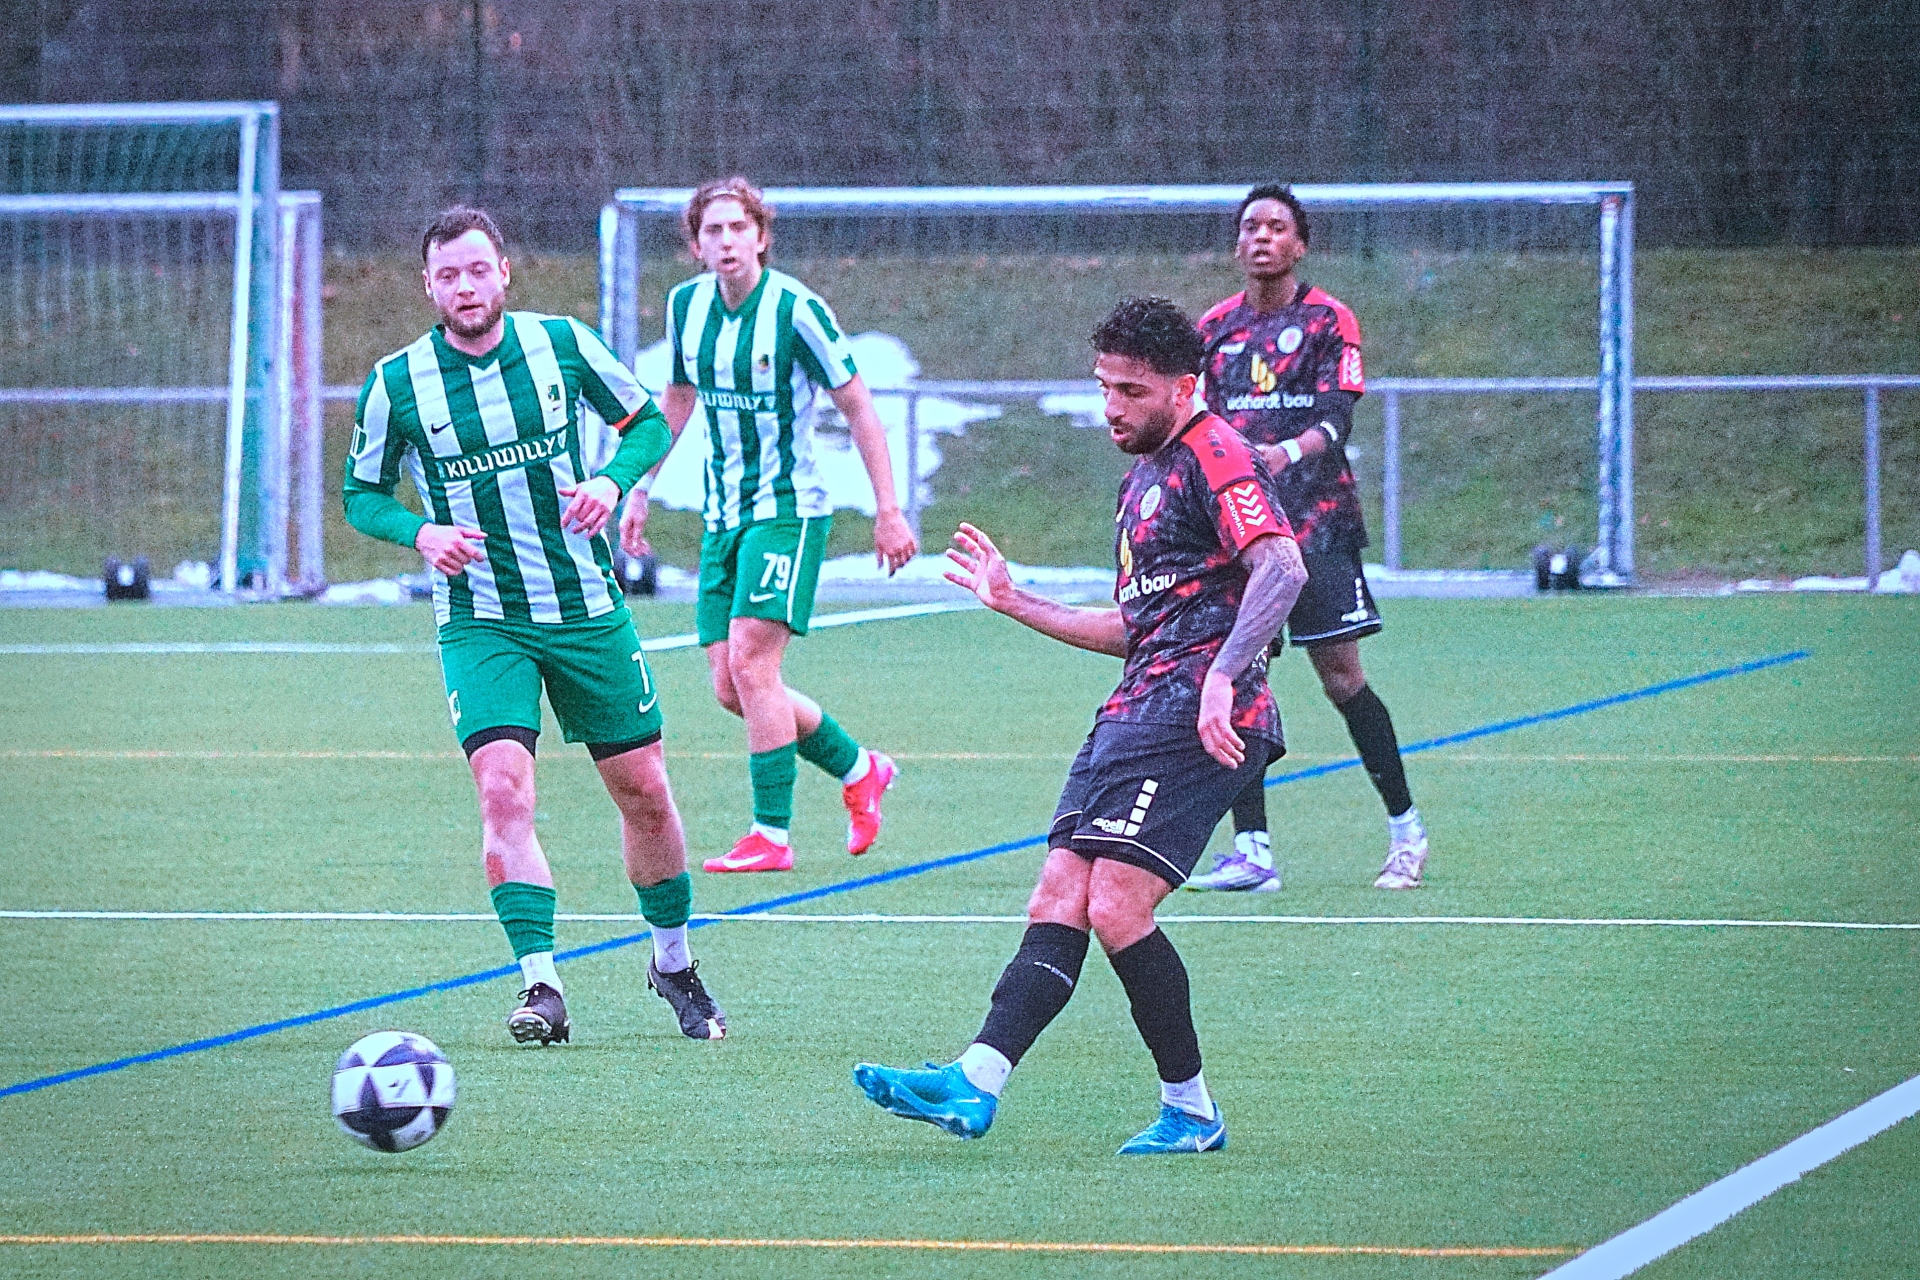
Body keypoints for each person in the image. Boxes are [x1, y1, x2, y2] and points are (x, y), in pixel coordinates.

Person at [853, 298, 1307, 1154]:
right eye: (1104, 387)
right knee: (1059, 894)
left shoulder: (1216, 452)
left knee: (1117, 902)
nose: (1112, 408)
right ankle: (976, 1080)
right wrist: (1012, 599)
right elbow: (1134, 628)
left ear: (1185, 386)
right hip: (1136, 708)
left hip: (1196, 715)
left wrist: (1221, 675)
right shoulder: (1143, 479)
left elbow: (1281, 565)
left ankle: (1191, 1111)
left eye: (1132, 391)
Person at [343, 206, 726, 1044]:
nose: (465, 287)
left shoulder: (562, 345)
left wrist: (613, 481)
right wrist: (421, 532)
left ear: (505, 273)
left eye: (477, 270)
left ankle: (672, 962)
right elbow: (361, 495)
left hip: (584, 608)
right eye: (448, 275)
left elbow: (647, 423)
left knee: (645, 793)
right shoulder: (398, 383)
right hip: (481, 620)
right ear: (428, 286)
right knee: (503, 789)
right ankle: (541, 985)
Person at [620, 177, 919, 874]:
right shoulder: (686, 307)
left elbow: (858, 406)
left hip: (788, 511)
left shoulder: (796, 310)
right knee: (732, 686)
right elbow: (677, 400)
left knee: (754, 663)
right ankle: (860, 768)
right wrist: (640, 486)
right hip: (722, 517)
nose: (726, 241)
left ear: (761, 236)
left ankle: (771, 836)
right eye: (713, 231)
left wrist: (889, 508)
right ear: (696, 246)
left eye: (738, 228)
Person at [1188, 183, 1430, 893]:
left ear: (1300, 244)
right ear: (1237, 244)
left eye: (1275, 227)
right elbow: (1198, 422)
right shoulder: (1214, 329)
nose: (1261, 237)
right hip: (1243, 531)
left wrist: (1282, 454)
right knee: (1236, 674)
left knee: (1342, 679)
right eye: (1250, 227)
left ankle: (1406, 832)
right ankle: (1253, 852)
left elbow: (1336, 421)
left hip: (1317, 523)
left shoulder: (1329, 319)